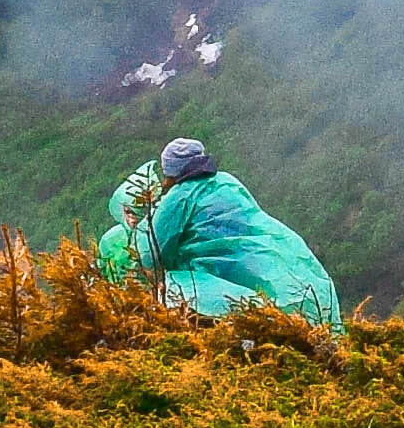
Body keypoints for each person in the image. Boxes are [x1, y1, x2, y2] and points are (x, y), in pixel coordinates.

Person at [97, 138, 344, 327]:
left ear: (170, 173)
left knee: (171, 289)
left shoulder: (180, 196)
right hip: (281, 254)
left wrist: (136, 229)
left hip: (234, 272)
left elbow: (150, 254)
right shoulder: (227, 180)